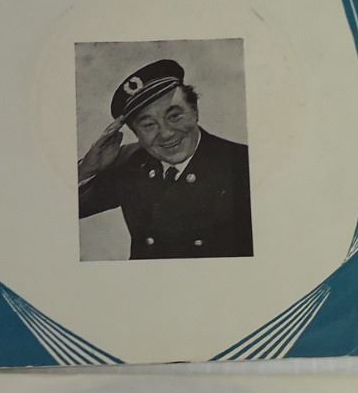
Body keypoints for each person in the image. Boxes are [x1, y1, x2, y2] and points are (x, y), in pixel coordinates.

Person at [76, 58, 253, 260]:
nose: (166, 133)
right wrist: (87, 169)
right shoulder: (129, 161)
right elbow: (59, 211)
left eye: (174, 116)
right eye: (149, 125)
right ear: (136, 133)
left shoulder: (242, 165)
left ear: (195, 111)